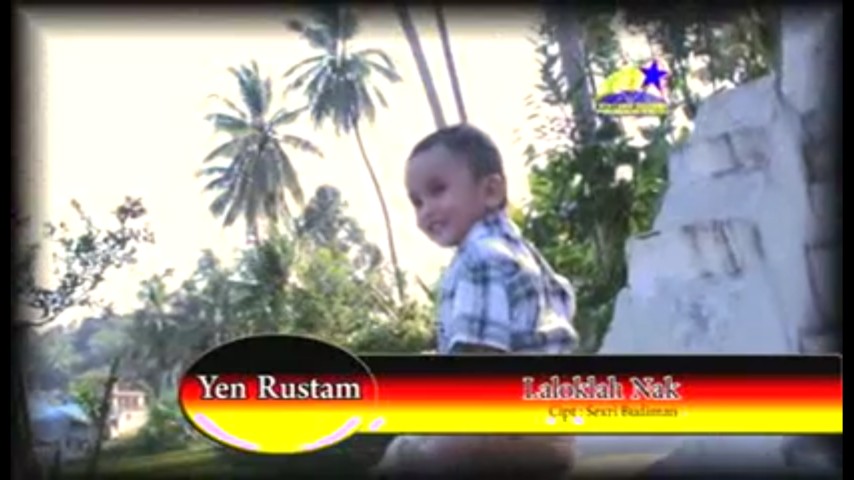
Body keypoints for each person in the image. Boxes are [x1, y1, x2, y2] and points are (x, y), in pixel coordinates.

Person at [372, 124, 579, 479]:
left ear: (490, 191)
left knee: (406, 454)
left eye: (438, 190)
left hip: (510, 431)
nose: (425, 211)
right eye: (417, 201)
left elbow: (480, 362)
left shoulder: (480, 258)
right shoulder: (521, 252)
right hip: (554, 426)